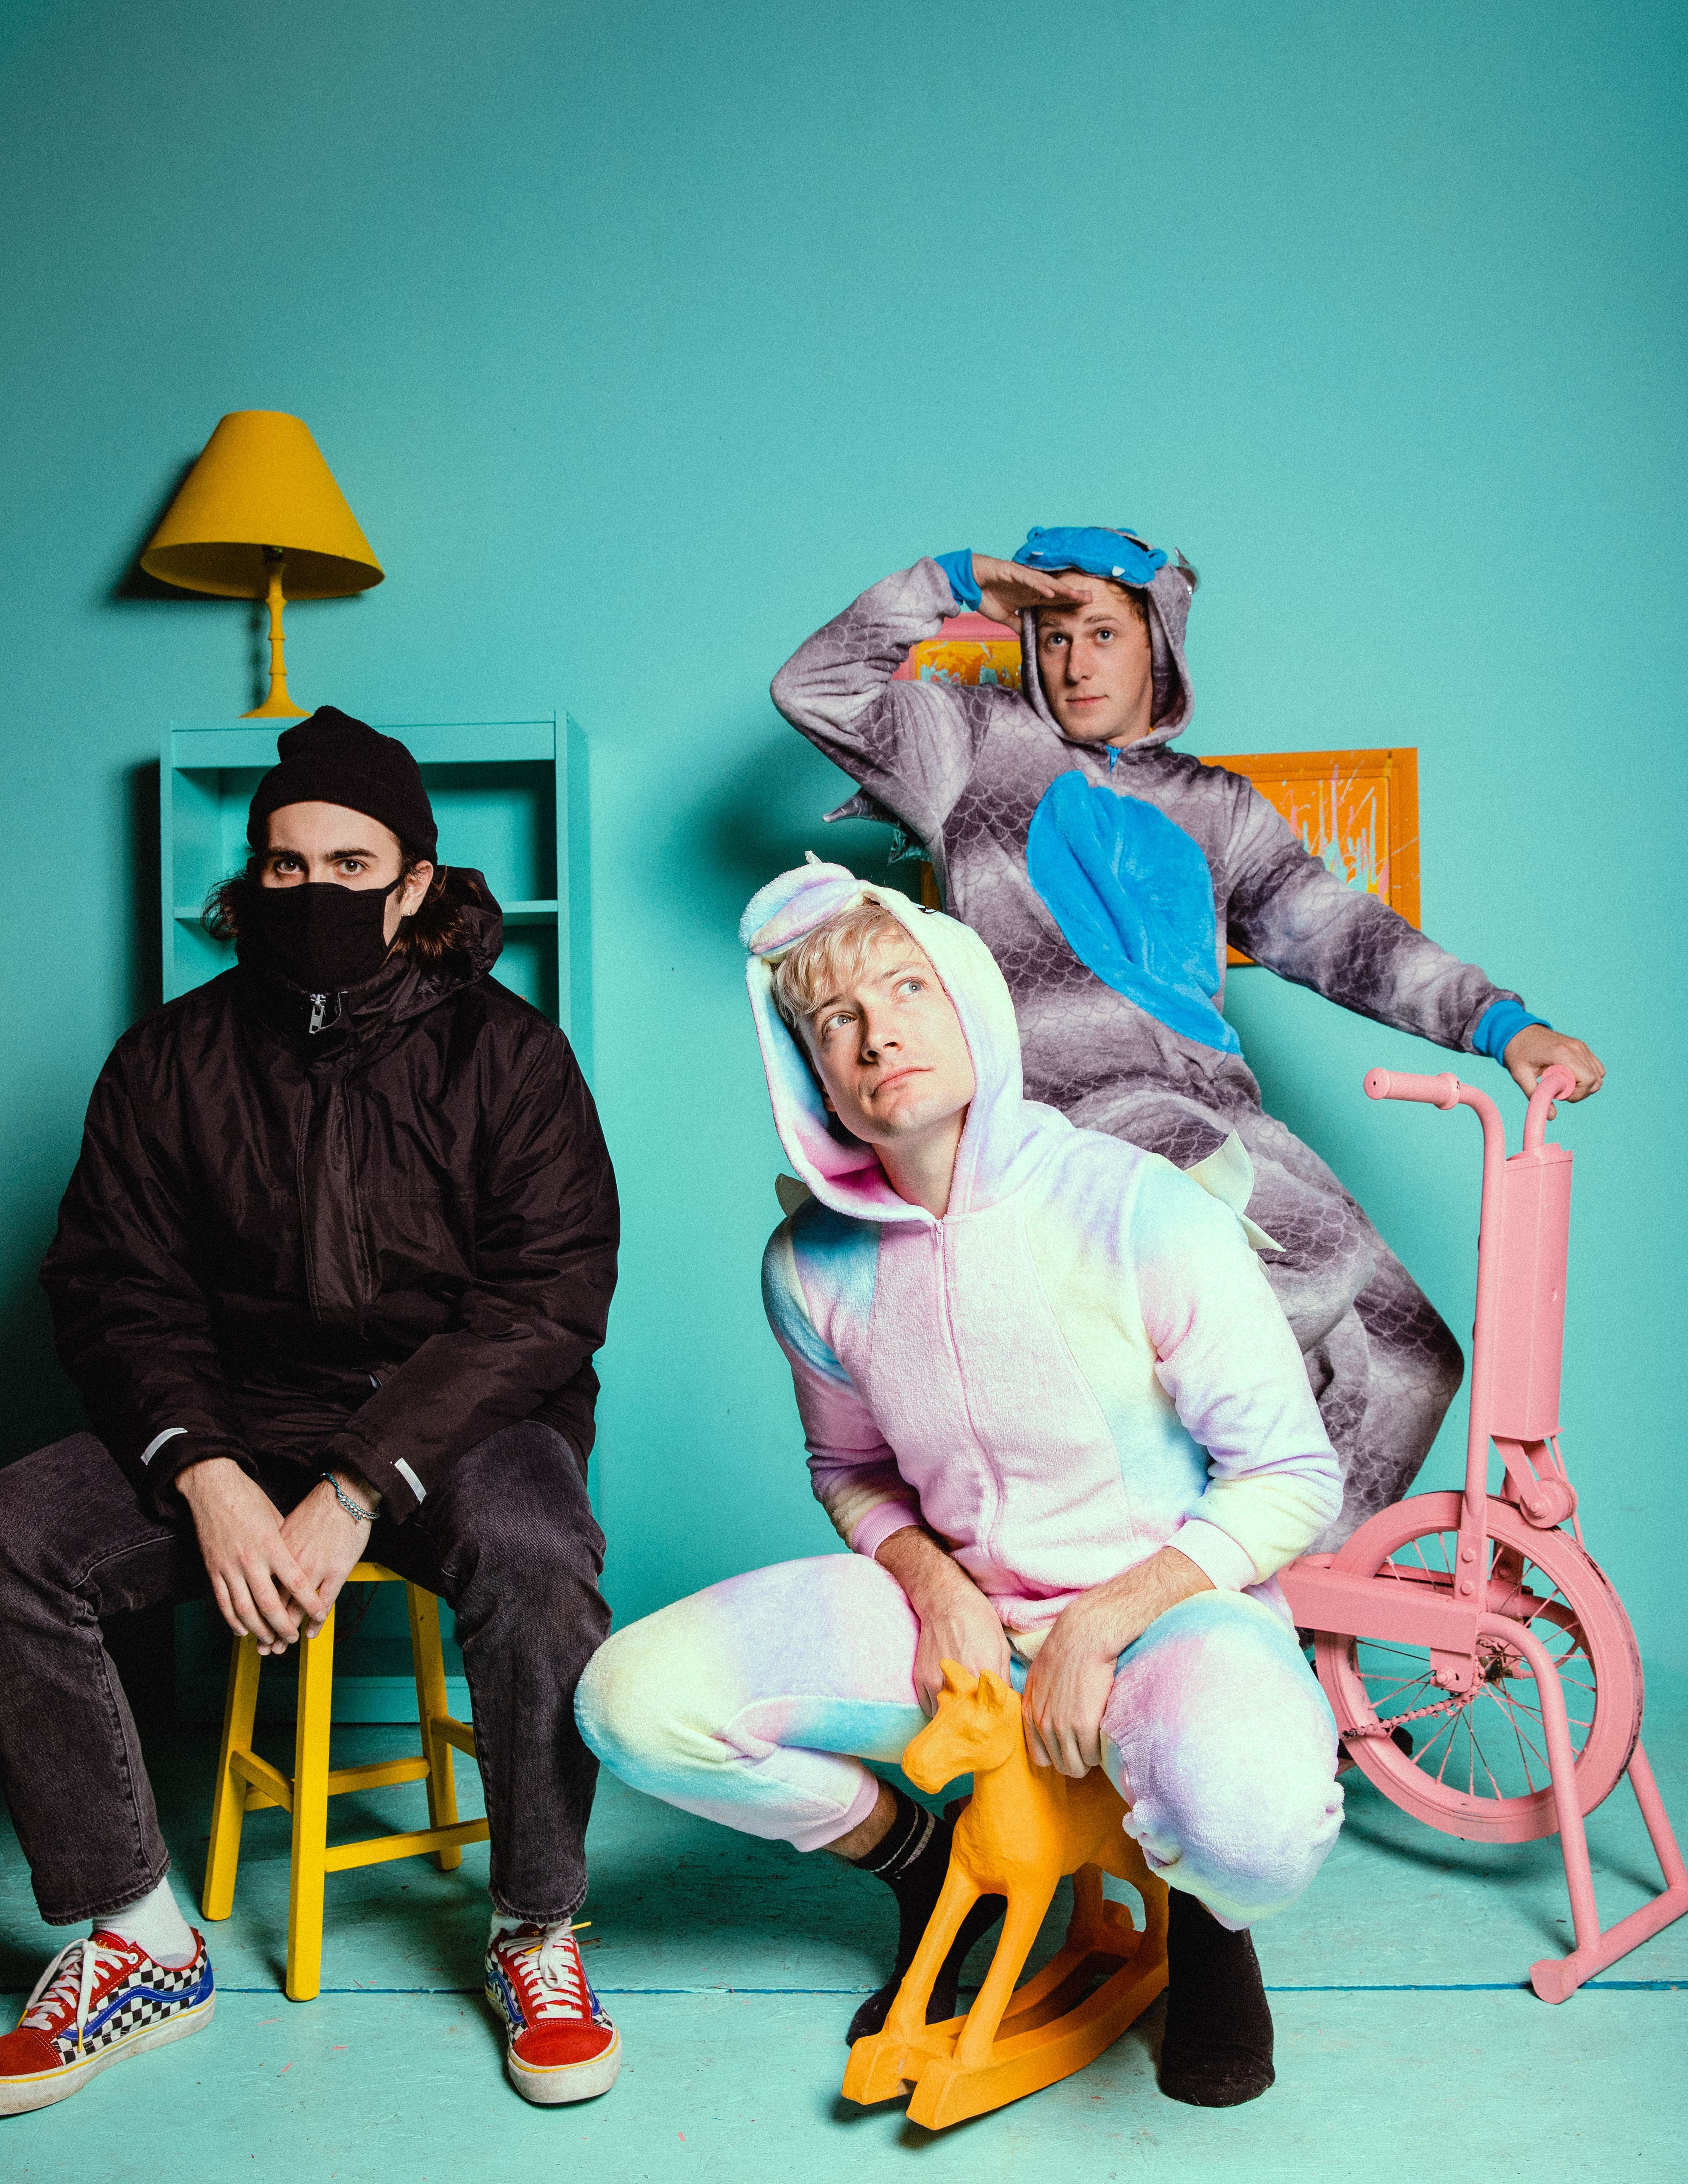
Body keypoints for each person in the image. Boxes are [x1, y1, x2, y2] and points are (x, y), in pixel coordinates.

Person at [577, 860, 1346, 2108]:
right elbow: (850, 1471)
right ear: (808, 1072)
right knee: (632, 1706)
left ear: (974, 1004)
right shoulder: (808, 1264)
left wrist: (1102, 1624)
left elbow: (1292, 1477)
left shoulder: (1140, 1210)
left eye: (906, 990)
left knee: (1256, 1830)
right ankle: (924, 1866)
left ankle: (1209, 1925)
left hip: (1168, 1618)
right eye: (834, 1019)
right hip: (963, 1633)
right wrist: (940, 1594)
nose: (877, 1034)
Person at [0, 709, 621, 2114]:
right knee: (12, 1536)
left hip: (461, 1422)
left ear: (414, 884)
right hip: (235, 1416)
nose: (313, 891)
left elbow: (543, 1302)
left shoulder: (511, 1056)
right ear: (253, 875)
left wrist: (358, 1484)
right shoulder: (167, 1060)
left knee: (537, 1557)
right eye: (285, 866)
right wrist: (205, 1470)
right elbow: (114, 1288)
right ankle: (135, 1938)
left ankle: (537, 1926)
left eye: (351, 865)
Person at [769, 530, 1605, 1545]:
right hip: (1071, 1117)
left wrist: (1501, 1025)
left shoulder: (1219, 809)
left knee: (1412, 1356)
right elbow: (815, 689)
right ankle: (1127, 1485)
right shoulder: (970, 746)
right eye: (1052, 635)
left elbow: (1342, 932)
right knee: (1311, 1254)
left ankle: (1285, 1593)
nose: (1074, 663)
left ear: (1157, 644)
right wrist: (950, 582)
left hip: (1215, 1112)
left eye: (1103, 634)